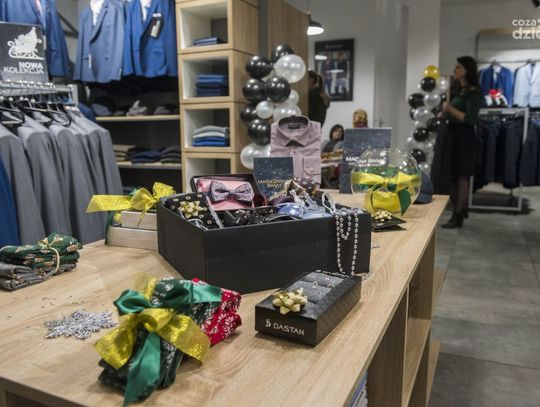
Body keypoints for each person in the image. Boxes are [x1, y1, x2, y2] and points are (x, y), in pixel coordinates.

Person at [441, 56, 482, 228]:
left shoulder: (473, 92)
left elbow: (470, 119)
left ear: (466, 70)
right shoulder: (459, 90)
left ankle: (457, 216)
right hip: (454, 136)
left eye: (458, 67)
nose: (455, 70)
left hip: (464, 138)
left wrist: (450, 109)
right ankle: (460, 210)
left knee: (461, 176)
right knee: (455, 176)